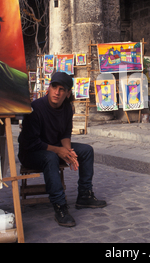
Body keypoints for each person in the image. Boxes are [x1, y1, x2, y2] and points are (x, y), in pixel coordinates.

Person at [18, 72, 106, 227]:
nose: (57, 92)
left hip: (54, 148)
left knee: (86, 150)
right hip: (31, 153)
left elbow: (65, 134)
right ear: (49, 87)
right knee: (50, 157)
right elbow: (30, 142)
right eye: (54, 87)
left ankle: (85, 195)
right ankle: (60, 207)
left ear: (68, 93)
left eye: (61, 89)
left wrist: (68, 152)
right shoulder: (36, 108)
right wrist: (58, 151)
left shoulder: (67, 108)